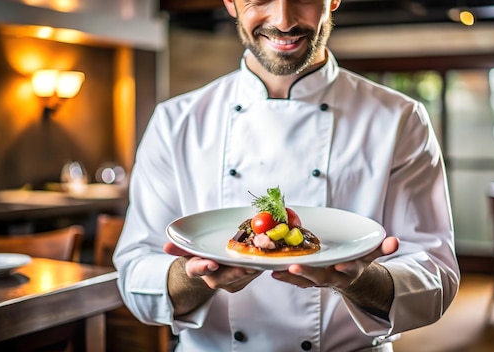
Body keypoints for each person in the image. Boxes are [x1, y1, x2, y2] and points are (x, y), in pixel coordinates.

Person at [113, 0, 460, 351]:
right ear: (231, 3)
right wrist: (196, 278)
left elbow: (436, 280)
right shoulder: (175, 123)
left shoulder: (400, 119)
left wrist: (359, 281)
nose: (283, 20)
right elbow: (135, 276)